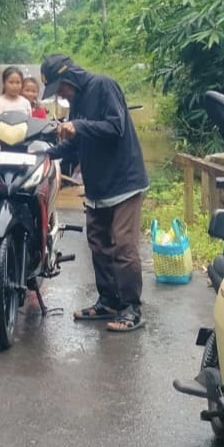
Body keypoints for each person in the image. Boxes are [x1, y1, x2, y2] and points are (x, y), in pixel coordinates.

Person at [41, 54, 149, 333]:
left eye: (60, 89)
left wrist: (78, 126)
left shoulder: (103, 86)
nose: (61, 96)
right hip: (98, 185)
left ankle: (131, 308)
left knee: (123, 245)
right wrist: (45, 155)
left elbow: (116, 127)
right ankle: (109, 302)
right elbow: (76, 145)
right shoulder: (77, 102)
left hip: (124, 182)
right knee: (98, 243)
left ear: (69, 77)